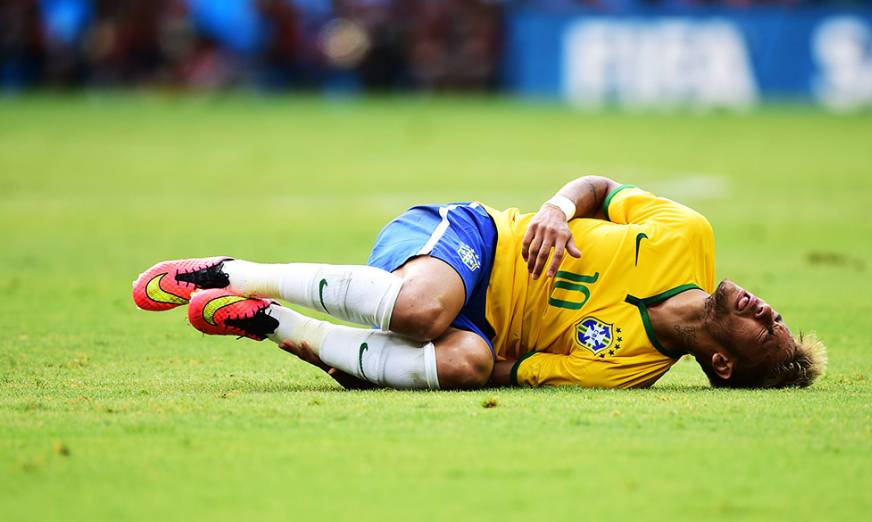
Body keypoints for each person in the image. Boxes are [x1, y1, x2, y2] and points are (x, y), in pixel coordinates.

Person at [132, 176, 827, 390]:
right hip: (473, 238)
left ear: (723, 362)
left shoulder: (625, 371)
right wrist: (558, 211)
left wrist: (406, 370)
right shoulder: (689, 234)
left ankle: (269, 324)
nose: (766, 308)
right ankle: (232, 272)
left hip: (479, 324)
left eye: (765, 327)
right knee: (423, 309)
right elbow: (598, 186)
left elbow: (507, 368)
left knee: (462, 362)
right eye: (777, 312)